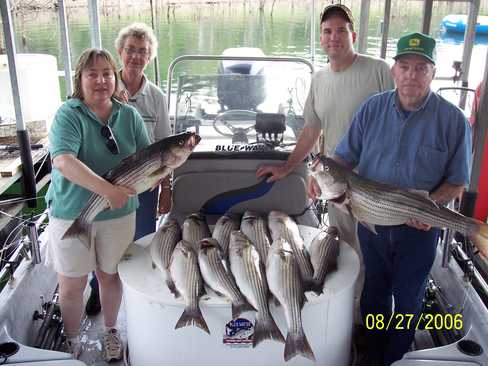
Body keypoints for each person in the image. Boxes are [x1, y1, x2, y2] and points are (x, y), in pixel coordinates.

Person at [333, 33, 472, 365]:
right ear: (394, 71)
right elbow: (343, 159)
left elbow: (457, 182)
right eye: (405, 67)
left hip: (421, 231)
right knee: (374, 293)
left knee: (409, 298)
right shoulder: (371, 109)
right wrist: (321, 176)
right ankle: (374, 351)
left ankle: (396, 357)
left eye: (421, 68)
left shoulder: (453, 121)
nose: (412, 75)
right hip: (373, 222)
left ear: (432, 73)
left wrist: (430, 207)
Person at [256, 3, 393, 319]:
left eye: (341, 30)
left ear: (353, 35)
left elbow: (399, 121)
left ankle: (374, 318)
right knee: (345, 247)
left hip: (375, 184)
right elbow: (312, 130)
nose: (334, 37)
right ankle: (352, 314)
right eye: (327, 31)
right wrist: (292, 169)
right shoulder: (318, 80)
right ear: (321, 38)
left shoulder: (379, 70)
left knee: (377, 250)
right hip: (336, 184)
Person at [45, 48, 150, 362]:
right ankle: (73, 341)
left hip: (118, 215)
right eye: (92, 74)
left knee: (109, 275)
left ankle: (111, 331)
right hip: (72, 212)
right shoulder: (69, 114)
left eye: (107, 73)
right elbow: (64, 161)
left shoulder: (129, 115)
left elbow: (148, 159)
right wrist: (108, 191)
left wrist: (156, 177)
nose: (101, 80)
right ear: (80, 79)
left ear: (115, 77)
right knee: (72, 284)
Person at [85, 23, 172, 317]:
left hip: (144, 184)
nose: (136, 56)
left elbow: (164, 146)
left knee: (141, 237)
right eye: (131, 50)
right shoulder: (103, 88)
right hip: (104, 180)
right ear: (120, 52)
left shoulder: (156, 97)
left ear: (150, 57)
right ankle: (97, 291)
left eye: (143, 52)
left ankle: (137, 294)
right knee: (98, 237)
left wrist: (166, 188)